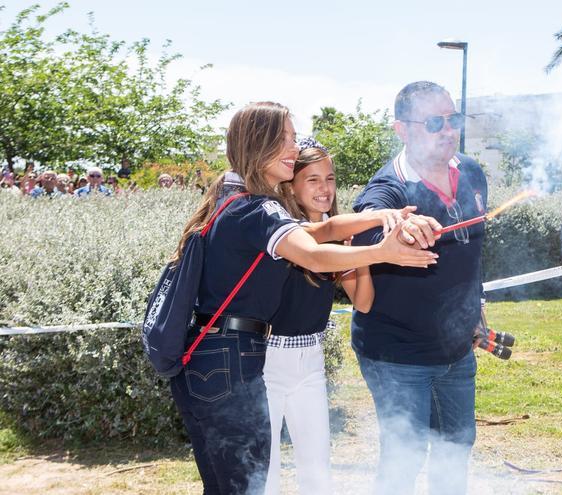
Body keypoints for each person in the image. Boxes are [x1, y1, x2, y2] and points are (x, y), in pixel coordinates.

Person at [169, 101, 438, 495]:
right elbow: (311, 251)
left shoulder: (234, 197)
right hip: (234, 359)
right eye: (287, 140)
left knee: (238, 485)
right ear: (260, 145)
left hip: (214, 358)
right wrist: (383, 252)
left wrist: (383, 217)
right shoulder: (258, 209)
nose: (295, 150)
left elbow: (321, 230)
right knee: (253, 486)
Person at [351, 81, 486, 495]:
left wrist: (475, 311)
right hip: (397, 355)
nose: (448, 130)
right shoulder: (388, 187)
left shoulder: (473, 172)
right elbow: (369, 217)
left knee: (455, 452)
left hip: (457, 351)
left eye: (453, 119)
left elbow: (471, 257)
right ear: (403, 130)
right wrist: (397, 223)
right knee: (402, 463)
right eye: (433, 122)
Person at [263, 138, 380, 495]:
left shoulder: (337, 233)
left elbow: (363, 303)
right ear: (292, 184)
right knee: (264, 469)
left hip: (310, 361)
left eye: (329, 179)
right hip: (265, 361)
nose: (324, 188)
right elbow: (313, 253)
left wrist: (360, 254)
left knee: (317, 470)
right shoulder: (282, 232)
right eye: (312, 179)